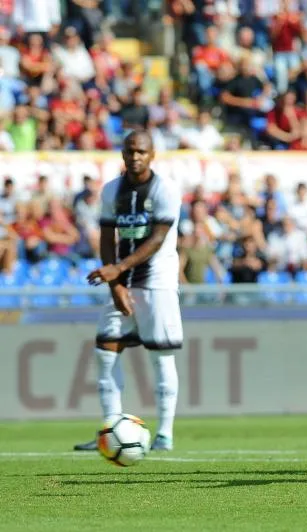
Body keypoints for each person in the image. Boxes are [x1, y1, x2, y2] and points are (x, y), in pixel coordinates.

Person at [74, 131, 182, 452]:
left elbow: (157, 239)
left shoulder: (165, 189)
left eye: (141, 151)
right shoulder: (111, 190)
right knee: (105, 352)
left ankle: (165, 434)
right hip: (123, 282)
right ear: (122, 154)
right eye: (130, 151)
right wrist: (116, 285)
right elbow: (108, 239)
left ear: (152, 155)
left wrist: (117, 270)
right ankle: (110, 429)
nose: (135, 156)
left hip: (157, 281)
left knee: (161, 357)